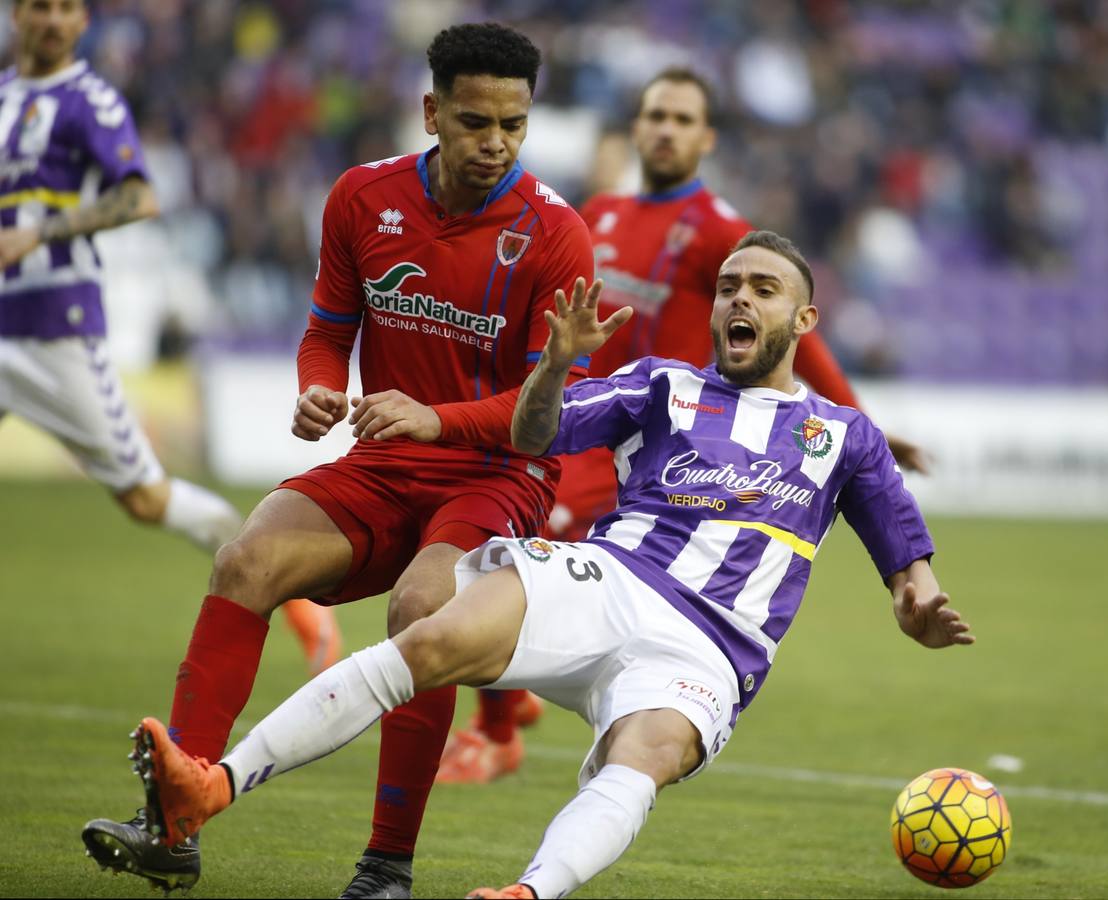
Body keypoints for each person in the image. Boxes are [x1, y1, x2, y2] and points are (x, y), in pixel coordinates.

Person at [110, 230, 973, 900]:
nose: (738, 300)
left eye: (763, 289)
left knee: (646, 752)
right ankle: (209, 789)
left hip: (711, 652)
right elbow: (530, 436)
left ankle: (528, 888)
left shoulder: (847, 438)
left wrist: (921, 610)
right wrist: (556, 364)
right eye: (727, 288)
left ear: (803, 320)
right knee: (430, 638)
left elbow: (911, 572)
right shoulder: (662, 385)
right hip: (610, 582)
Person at [81, 22, 593, 898]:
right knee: (245, 560)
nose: (495, 143)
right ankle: (171, 824)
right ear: (432, 111)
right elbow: (328, 331)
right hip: (386, 463)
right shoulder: (362, 199)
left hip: (495, 478)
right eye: (475, 122)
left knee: (422, 613)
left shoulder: (555, 236)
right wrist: (319, 387)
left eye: (513, 124)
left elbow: (544, 420)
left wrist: (436, 418)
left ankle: (386, 866)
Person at [441, 65, 931, 784]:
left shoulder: (718, 229)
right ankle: (511, 718)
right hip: (594, 408)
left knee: (525, 557)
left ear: (705, 138)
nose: (665, 129)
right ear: (635, 128)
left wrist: (859, 418)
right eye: (655, 115)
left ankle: (507, 731)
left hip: (668, 439)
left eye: (681, 119)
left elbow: (795, 332)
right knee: (499, 551)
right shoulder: (601, 214)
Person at [0, 6, 341, 667]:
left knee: (145, 496)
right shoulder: (7, 97)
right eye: (41, 4)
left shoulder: (89, 101)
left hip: (54, 330)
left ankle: (287, 591)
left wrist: (40, 233)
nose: (53, 20)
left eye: (69, 7)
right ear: (18, 13)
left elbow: (139, 198)